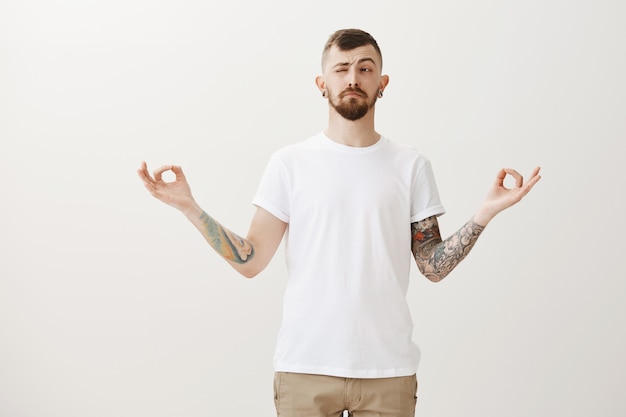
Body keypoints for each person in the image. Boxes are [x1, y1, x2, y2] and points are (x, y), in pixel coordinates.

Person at [137, 28, 541, 417]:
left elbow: (432, 266)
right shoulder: (289, 164)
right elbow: (252, 259)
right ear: (321, 83)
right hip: (305, 367)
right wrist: (190, 207)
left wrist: (485, 213)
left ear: (382, 82)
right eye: (341, 68)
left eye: (365, 68)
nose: (353, 78)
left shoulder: (411, 165)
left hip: (388, 370)